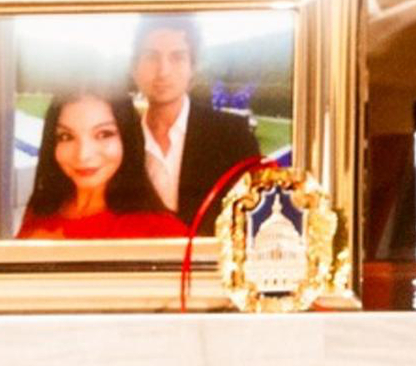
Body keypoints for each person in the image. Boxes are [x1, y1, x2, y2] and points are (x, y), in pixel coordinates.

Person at [124, 13, 255, 227]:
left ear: (192, 68)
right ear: (134, 68)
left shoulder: (233, 136)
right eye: (151, 57)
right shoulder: (122, 142)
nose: (163, 71)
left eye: (177, 57)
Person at [14, 88, 185, 241]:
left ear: (127, 138)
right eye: (66, 136)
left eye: (104, 134)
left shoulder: (160, 232)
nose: (83, 155)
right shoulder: (42, 210)